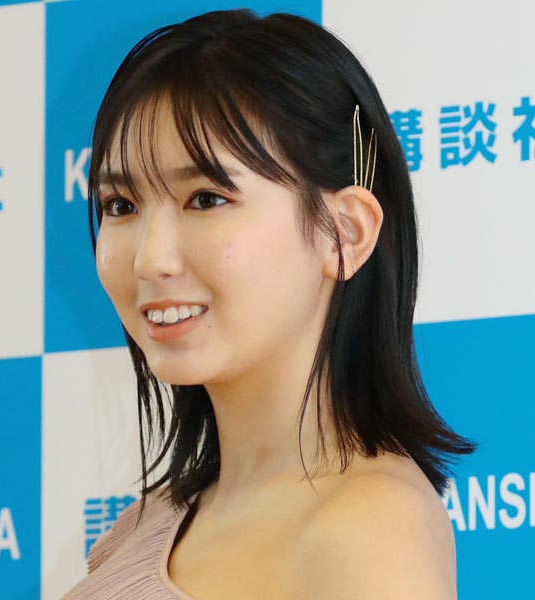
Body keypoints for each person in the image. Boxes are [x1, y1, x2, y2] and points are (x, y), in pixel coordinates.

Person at [63, 8, 477, 599]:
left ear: (344, 232)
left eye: (206, 199)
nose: (149, 260)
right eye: (121, 205)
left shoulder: (369, 527)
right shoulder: (148, 523)